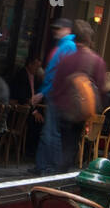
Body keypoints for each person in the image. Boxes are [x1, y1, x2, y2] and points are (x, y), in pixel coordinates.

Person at [49, 19, 107, 171]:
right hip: (82, 110)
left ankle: (57, 171)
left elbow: (56, 84)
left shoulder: (67, 60)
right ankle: (61, 174)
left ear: (74, 37)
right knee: (72, 144)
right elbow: (101, 88)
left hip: (63, 108)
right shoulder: (97, 61)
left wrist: (58, 102)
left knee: (64, 142)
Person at [29, 18, 77, 174]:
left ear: (67, 29)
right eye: (55, 29)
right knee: (49, 132)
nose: (56, 31)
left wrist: (43, 92)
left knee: (51, 132)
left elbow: (57, 74)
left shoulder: (67, 46)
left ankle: (49, 168)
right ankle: (42, 166)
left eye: (59, 28)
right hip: (56, 94)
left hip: (57, 94)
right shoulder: (65, 46)